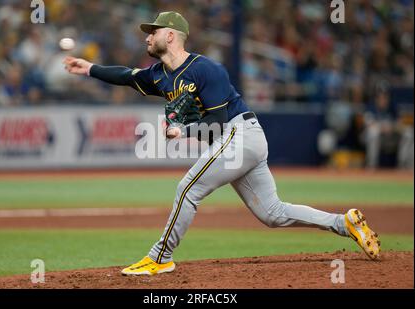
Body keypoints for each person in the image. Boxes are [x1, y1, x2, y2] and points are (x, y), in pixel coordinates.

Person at [64, 11, 381, 276]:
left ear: (172, 35)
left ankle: (160, 258)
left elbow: (217, 121)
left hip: (240, 133)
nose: (147, 37)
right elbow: (126, 75)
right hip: (237, 142)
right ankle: (345, 223)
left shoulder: (206, 69)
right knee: (272, 213)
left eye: (153, 31)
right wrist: (89, 68)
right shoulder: (159, 75)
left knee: (187, 188)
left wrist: (182, 131)